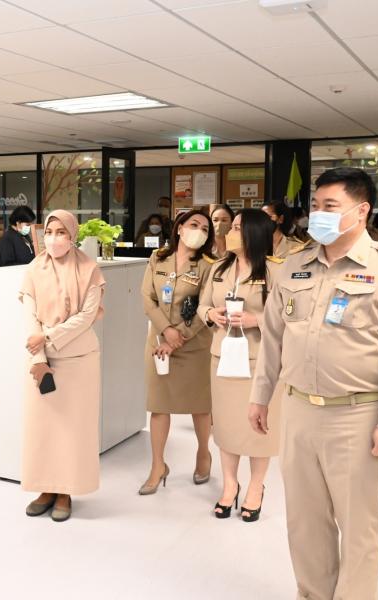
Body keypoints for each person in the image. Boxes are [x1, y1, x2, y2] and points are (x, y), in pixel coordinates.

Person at [249, 167, 378, 600]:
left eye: (331, 206)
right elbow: (273, 338)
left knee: (358, 526)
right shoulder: (293, 265)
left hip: (358, 416)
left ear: (361, 211)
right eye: (315, 205)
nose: (319, 214)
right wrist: (260, 396)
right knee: (304, 522)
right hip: (299, 412)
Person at [20, 209, 106, 522]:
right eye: (49, 232)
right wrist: (39, 352)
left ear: (73, 236)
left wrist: (47, 336)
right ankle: (45, 488)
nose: (54, 239)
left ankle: (66, 491)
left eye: (61, 233)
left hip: (78, 361)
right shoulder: (34, 268)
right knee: (43, 430)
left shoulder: (89, 269)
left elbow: (86, 316)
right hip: (41, 359)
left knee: (72, 430)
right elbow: (29, 312)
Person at [198, 209, 282, 521]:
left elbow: (288, 316)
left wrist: (255, 320)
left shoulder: (274, 271)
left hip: (260, 360)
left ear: (253, 233)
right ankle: (230, 485)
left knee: (258, 427)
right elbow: (203, 305)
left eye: (235, 227)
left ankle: (256, 487)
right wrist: (211, 314)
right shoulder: (219, 268)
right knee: (226, 425)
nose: (228, 232)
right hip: (223, 358)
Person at [140, 209, 216, 495]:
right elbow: (147, 299)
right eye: (194, 225)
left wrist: (177, 336)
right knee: (159, 405)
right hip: (159, 342)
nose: (199, 231)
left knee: (200, 406)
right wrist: (166, 331)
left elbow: (206, 307)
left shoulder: (209, 265)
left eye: (205, 229)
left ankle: (204, 453)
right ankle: (158, 465)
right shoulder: (158, 258)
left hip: (193, 345)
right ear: (180, 228)